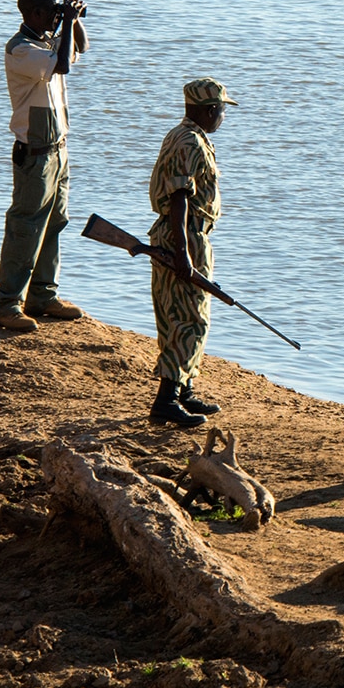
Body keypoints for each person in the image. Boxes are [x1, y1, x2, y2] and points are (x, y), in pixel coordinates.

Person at [0, 0, 89, 332]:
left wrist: (72, 22)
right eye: (50, 12)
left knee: (54, 224)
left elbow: (80, 49)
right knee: (26, 226)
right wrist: (66, 21)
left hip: (58, 150)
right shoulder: (21, 50)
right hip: (34, 154)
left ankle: (43, 296)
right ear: (34, 13)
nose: (55, 17)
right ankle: (6, 302)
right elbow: (61, 65)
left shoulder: (46, 42)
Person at [145, 78, 237, 428]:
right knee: (189, 319)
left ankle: (183, 390)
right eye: (222, 110)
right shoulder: (190, 142)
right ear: (210, 110)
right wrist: (183, 252)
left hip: (182, 235)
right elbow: (179, 198)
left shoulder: (185, 136)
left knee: (179, 313)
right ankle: (166, 399)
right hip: (183, 236)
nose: (223, 116)